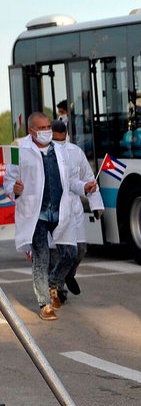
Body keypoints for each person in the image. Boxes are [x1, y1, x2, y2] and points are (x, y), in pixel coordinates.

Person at [3, 113, 93, 321]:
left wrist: (84, 187)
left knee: (70, 253)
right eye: (41, 128)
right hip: (36, 214)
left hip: (60, 211)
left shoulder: (60, 151)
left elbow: (70, 181)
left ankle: (53, 282)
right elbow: (9, 181)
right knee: (41, 258)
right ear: (31, 131)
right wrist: (13, 188)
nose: (46, 131)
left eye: (47, 127)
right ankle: (45, 303)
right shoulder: (19, 150)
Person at [51, 120, 105, 302]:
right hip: (55, 209)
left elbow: (88, 178)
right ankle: (58, 288)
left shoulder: (75, 152)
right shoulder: (46, 154)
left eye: (61, 139)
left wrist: (96, 204)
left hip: (74, 207)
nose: (59, 143)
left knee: (80, 250)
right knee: (60, 253)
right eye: (55, 140)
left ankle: (68, 275)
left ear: (66, 135)